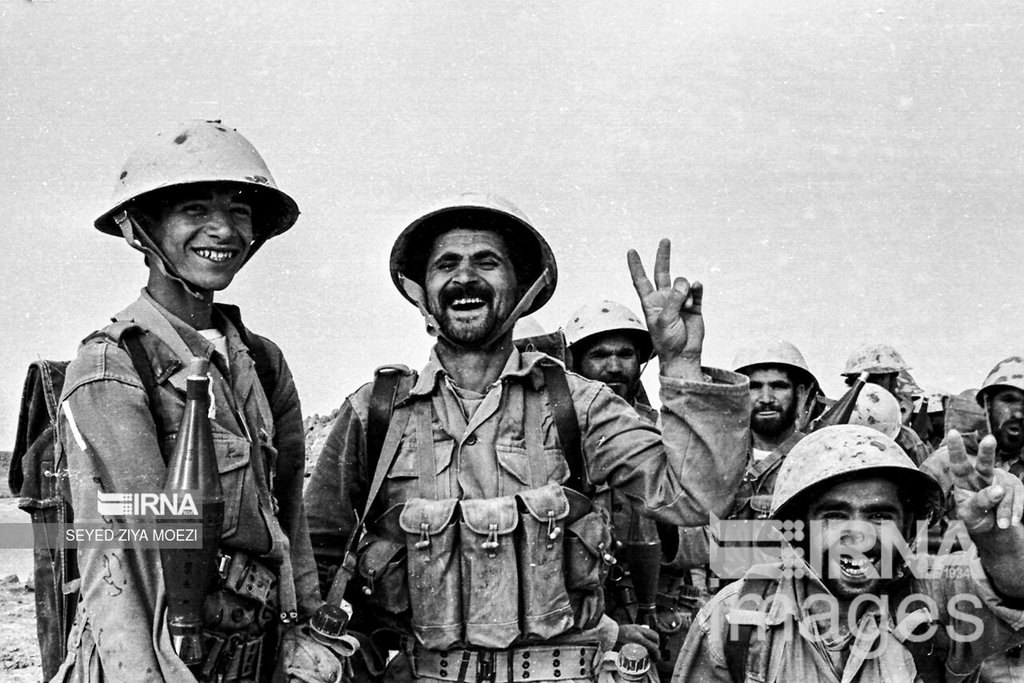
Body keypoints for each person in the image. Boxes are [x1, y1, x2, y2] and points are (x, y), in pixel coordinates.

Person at [305, 193, 750, 683]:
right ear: (421, 290)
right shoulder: (377, 412)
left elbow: (694, 499)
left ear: (523, 286)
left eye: (487, 262)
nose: (464, 277)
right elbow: (317, 551)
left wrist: (681, 363)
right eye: (446, 264)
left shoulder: (579, 405)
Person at [54, 121, 324, 682]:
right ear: (139, 228)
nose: (223, 229)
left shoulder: (261, 360)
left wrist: (305, 637)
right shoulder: (114, 364)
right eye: (195, 209)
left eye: (240, 211)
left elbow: (289, 522)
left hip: (254, 653)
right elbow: (124, 562)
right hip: (165, 660)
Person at [673, 424, 1024, 682]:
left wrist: (998, 539)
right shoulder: (734, 618)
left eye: (879, 515)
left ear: (907, 528)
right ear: (800, 527)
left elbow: (1012, 590)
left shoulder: (935, 596)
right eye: (835, 515)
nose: (858, 536)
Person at [564, 300, 693, 680]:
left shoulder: (667, 434)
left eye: (625, 354)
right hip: (583, 618)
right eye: (599, 355)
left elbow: (706, 537)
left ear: (641, 361)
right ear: (574, 362)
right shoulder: (555, 435)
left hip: (657, 613)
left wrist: (662, 516)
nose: (614, 366)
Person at [922, 357, 1024, 682]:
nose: (1019, 413)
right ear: (987, 404)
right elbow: (907, 542)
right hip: (965, 634)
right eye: (1009, 400)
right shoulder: (948, 463)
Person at [841, 343, 931, 465]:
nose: (895, 385)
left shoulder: (834, 426)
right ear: (880, 379)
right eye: (893, 378)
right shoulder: (907, 439)